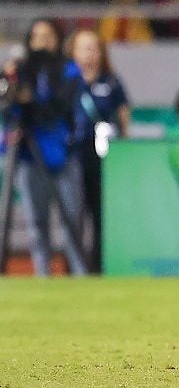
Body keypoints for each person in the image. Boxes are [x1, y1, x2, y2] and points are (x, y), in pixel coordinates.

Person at [2, 19, 89, 276]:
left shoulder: (68, 71)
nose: (42, 41)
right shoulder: (19, 70)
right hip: (29, 155)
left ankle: (78, 273)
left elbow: (60, 108)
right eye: (37, 36)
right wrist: (11, 85)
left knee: (71, 220)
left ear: (58, 39)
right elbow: (8, 111)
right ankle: (43, 274)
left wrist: (32, 102)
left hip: (62, 153)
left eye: (48, 35)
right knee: (36, 222)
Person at [67, 28, 131, 272]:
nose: (89, 54)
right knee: (73, 214)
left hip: (104, 160)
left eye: (94, 48)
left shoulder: (111, 81)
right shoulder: (67, 82)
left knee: (101, 214)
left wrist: (123, 142)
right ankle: (75, 268)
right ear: (73, 52)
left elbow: (123, 113)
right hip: (73, 156)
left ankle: (99, 266)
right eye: (84, 48)